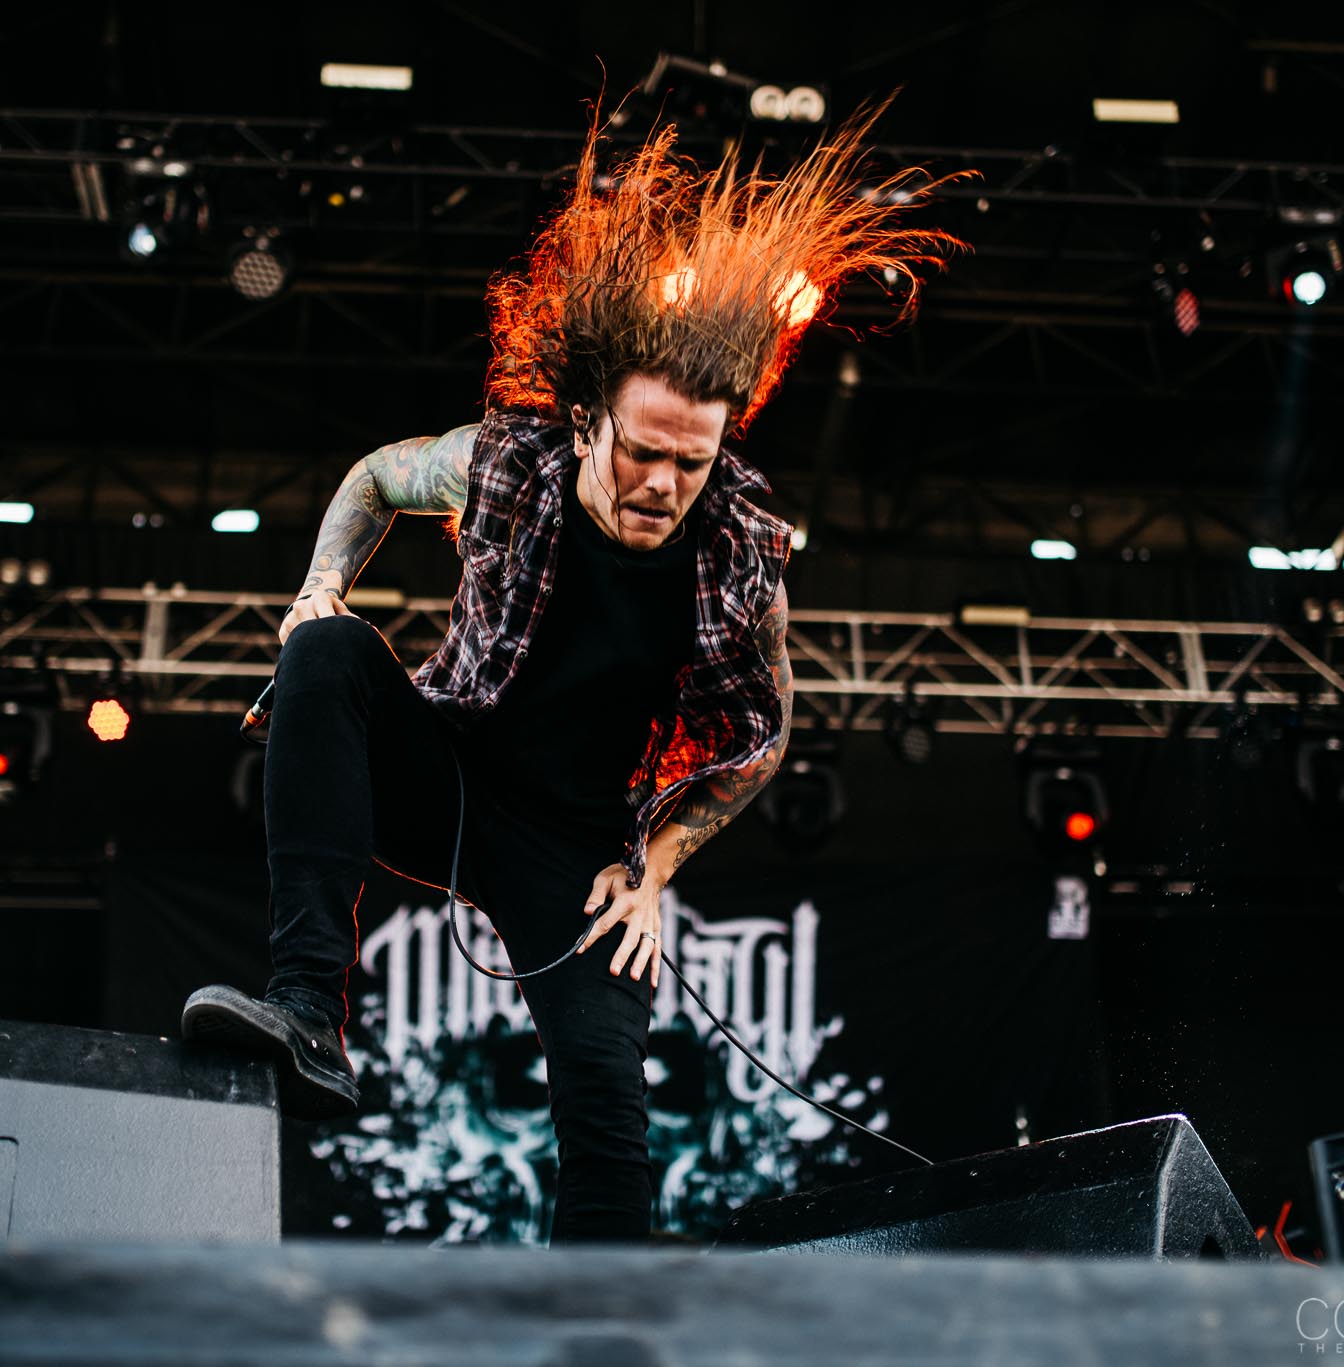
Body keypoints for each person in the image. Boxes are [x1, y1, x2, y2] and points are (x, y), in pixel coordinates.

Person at [182, 108, 964, 1242]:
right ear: (589, 419)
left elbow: (765, 736)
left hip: (579, 852)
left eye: (689, 461)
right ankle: (308, 1010)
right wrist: (318, 585)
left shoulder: (744, 545)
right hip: (449, 776)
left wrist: (652, 868)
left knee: (607, 1107)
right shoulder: (512, 461)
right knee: (327, 652)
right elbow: (372, 477)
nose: (661, 480)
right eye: (641, 450)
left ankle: (593, 1320)